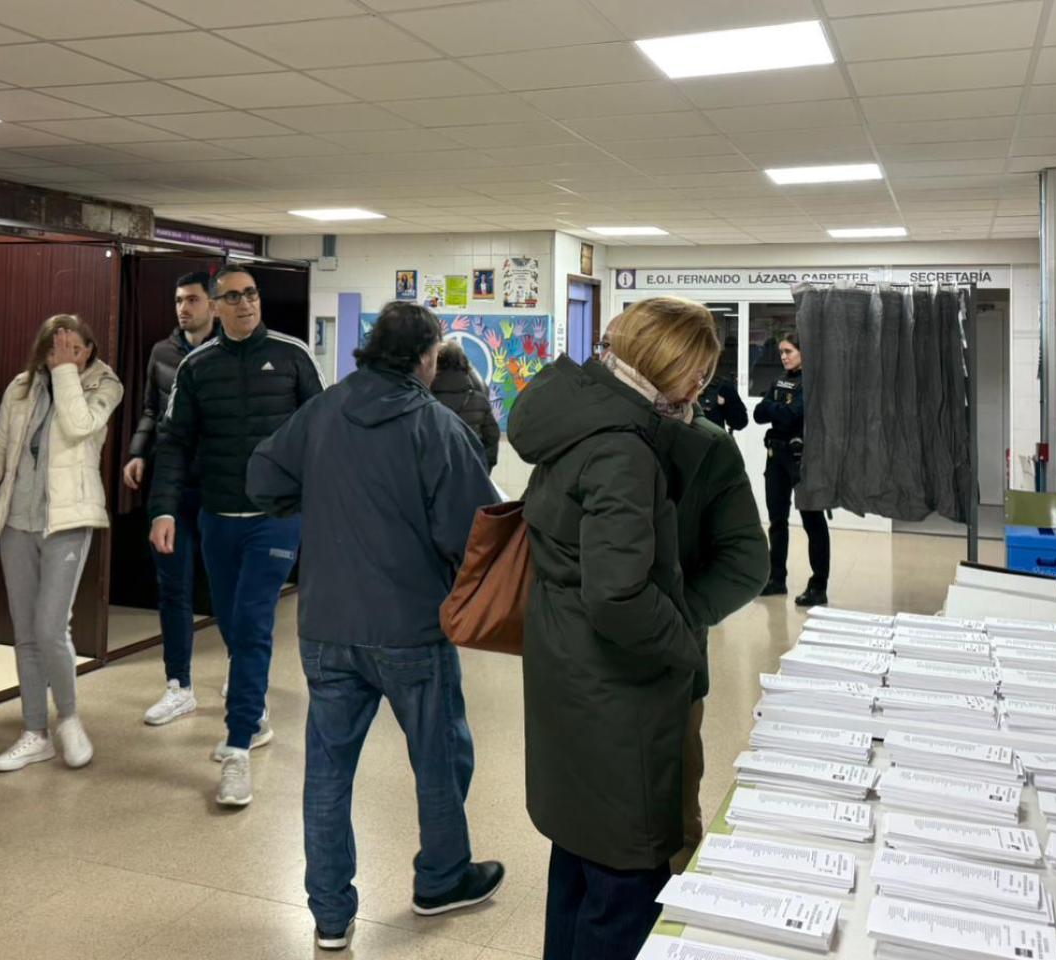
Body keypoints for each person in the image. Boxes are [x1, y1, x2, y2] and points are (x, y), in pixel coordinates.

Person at [249, 301, 506, 952]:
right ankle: (442, 877)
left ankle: (331, 916)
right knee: (441, 756)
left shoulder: (324, 410)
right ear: (424, 359)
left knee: (328, 772)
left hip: (326, 624)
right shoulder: (435, 427)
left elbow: (263, 477)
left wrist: (311, 498)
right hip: (411, 627)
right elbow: (475, 532)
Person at [508, 297, 721, 960]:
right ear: (669, 367)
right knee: (623, 887)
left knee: (575, 866)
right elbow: (620, 595)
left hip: (570, 672)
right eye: (699, 374)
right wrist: (685, 642)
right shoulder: (623, 450)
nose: (701, 389)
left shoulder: (578, 419)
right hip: (616, 694)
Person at [149, 265, 323, 808]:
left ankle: (238, 744)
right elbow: (174, 443)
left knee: (251, 622)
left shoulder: (293, 355)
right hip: (218, 516)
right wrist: (164, 510)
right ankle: (256, 708)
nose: (245, 303)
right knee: (230, 621)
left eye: (251, 294)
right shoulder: (197, 367)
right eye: (233, 296)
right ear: (216, 307)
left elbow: (319, 435)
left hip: (276, 518)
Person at [0, 315, 122, 773]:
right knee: (25, 633)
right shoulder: (21, 387)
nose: (67, 353)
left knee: (51, 627)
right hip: (17, 521)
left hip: (68, 521)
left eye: (76, 347)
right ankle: (34, 731)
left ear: (90, 350)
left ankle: (69, 720)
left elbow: (79, 427)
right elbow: (1, 443)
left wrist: (65, 374)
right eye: (57, 347)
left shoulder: (104, 385)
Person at [665, 412, 768, 873]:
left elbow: (744, 562)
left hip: (667, 659)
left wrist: (674, 616)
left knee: (674, 799)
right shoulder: (588, 429)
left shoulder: (704, 446)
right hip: (633, 663)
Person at [124, 271, 220, 727]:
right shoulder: (162, 352)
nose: (184, 308)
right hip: (171, 484)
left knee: (228, 588)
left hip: (219, 485)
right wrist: (138, 452)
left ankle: (244, 677)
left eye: (193, 300)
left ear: (213, 306)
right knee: (174, 589)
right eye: (179, 300)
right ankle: (178, 685)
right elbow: (150, 408)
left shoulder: (228, 353)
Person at [754, 331, 830, 607]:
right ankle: (776, 579)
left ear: (803, 353)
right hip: (776, 457)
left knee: (813, 522)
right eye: (782, 352)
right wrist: (778, 408)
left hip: (803, 459)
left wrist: (774, 407)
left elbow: (790, 415)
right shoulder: (779, 380)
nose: (783, 356)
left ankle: (818, 586)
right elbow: (758, 414)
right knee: (777, 520)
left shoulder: (812, 384)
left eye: (789, 351)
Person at [430, 341, 500, 472]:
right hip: (471, 473)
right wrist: (483, 469)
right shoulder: (478, 399)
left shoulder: (424, 400)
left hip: (435, 476)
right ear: (464, 364)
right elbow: (492, 438)